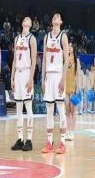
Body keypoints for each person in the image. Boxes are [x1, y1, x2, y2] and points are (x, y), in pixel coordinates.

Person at [41, 12, 69, 154]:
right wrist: (42, 78)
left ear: (61, 21)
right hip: (49, 75)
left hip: (58, 75)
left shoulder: (63, 36)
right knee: (49, 110)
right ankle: (49, 141)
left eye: (58, 17)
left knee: (61, 108)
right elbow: (44, 59)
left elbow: (67, 60)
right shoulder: (46, 37)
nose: (55, 18)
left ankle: (63, 142)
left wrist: (63, 79)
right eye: (53, 17)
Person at [11, 17, 37, 152]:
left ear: (30, 24)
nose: (25, 20)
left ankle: (29, 139)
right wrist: (12, 77)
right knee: (18, 108)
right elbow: (15, 60)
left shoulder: (32, 39)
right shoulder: (16, 38)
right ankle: (20, 139)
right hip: (18, 73)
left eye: (28, 19)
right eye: (24, 19)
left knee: (28, 106)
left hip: (27, 72)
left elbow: (34, 60)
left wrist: (31, 78)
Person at [65, 41, 80, 141]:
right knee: (67, 111)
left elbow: (77, 75)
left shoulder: (76, 60)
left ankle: (72, 132)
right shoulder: (64, 59)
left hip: (73, 87)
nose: (69, 48)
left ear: (73, 48)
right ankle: (67, 131)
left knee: (73, 110)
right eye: (68, 46)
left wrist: (77, 87)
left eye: (71, 46)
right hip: (66, 87)